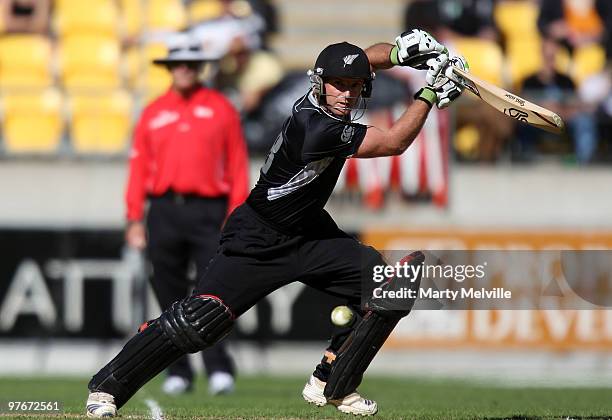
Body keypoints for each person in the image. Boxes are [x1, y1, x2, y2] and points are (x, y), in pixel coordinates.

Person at [85, 29, 467, 417]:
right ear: (320, 84)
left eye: (355, 86)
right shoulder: (316, 126)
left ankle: (332, 382)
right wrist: (430, 93)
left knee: (389, 288)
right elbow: (393, 143)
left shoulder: (330, 98)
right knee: (199, 321)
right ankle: (106, 388)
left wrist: (403, 52)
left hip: (310, 233)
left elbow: (365, 58)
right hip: (259, 237)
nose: (347, 94)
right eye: (339, 85)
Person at [124, 35, 249, 396]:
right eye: (178, 64)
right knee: (167, 292)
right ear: (169, 68)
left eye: (191, 64)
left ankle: (219, 367)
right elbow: (138, 168)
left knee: (214, 294)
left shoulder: (222, 108)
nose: (184, 70)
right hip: (163, 210)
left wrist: (235, 215)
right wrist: (134, 218)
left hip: (209, 211)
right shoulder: (153, 112)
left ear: (200, 68)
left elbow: (238, 166)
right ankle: (177, 370)